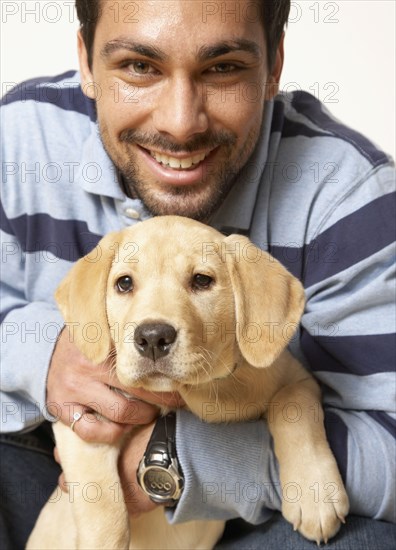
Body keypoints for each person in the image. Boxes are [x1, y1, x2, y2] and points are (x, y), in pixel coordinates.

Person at [1, 1, 395, 548]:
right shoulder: (18, 139)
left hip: (245, 515)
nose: (180, 123)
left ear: (274, 65)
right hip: (46, 471)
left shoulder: (346, 192)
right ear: (86, 63)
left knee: (363, 540)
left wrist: (185, 459)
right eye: (139, 66)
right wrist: (38, 356)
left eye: (223, 67)